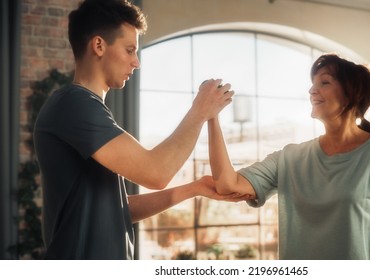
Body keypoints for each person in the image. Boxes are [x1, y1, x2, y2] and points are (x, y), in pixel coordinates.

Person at [34, 0, 240, 260]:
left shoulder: (87, 108)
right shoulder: (74, 104)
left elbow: (118, 209)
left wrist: (193, 188)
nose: (136, 62)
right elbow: (156, 173)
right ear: (98, 46)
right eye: (130, 50)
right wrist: (200, 110)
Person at [208, 53, 370, 260]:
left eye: (324, 82)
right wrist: (211, 117)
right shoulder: (289, 158)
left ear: (351, 93)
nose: (312, 90)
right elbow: (228, 184)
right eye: (313, 83)